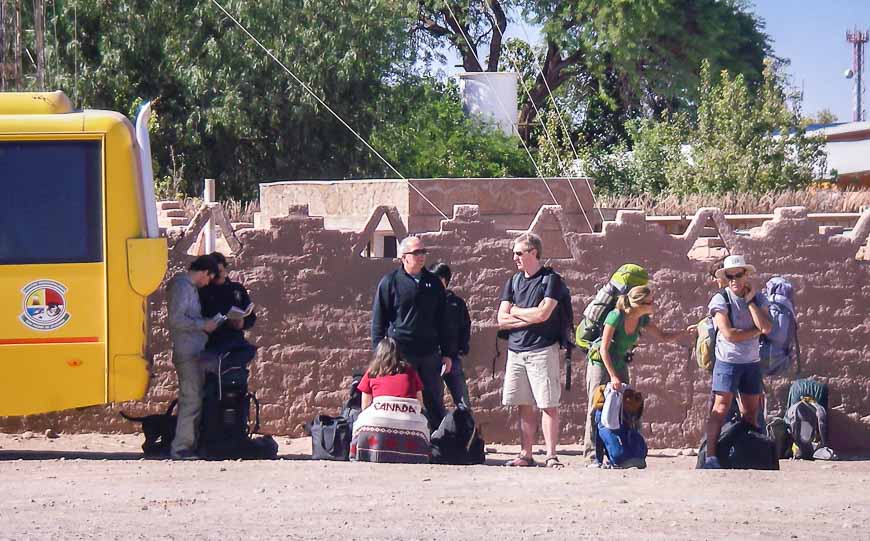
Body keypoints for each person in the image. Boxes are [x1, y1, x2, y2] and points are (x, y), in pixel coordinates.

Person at [583, 285, 692, 460]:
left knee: (625, 405)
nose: (653, 304)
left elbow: (662, 336)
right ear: (638, 303)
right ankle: (591, 452)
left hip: (619, 362)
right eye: (649, 302)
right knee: (596, 405)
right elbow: (603, 349)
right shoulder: (615, 316)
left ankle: (621, 448)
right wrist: (613, 376)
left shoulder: (642, 320)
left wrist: (683, 332)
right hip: (600, 362)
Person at [371, 236, 455, 431]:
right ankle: (400, 438)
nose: (421, 256)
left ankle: (435, 441)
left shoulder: (434, 284)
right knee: (402, 396)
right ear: (403, 257)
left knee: (433, 398)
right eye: (416, 253)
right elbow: (378, 320)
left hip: (429, 353)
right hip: (400, 353)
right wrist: (379, 351)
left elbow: (444, 321)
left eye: (423, 252)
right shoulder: (390, 282)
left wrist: (448, 353)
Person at [497, 233, 565, 468]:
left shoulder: (551, 280)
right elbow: (501, 320)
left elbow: (544, 314)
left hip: (542, 350)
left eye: (519, 253)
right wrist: (528, 316)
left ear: (533, 252)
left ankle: (551, 455)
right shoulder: (513, 281)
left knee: (548, 404)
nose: (514, 257)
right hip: (516, 351)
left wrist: (517, 311)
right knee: (523, 404)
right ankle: (526, 454)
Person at [702, 255, 773, 469]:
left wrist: (750, 301)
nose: (734, 280)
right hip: (728, 361)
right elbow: (729, 334)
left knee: (750, 412)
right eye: (729, 276)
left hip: (751, 361)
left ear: (746, 275)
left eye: (738, 275)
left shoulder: (758, 299)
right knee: (720, 408)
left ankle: (747, 451)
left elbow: (767, 327)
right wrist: (756, 331)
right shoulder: (720, 299)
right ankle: (711, 456)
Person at [166, 255, 220, 460]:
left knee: (195, 397)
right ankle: (181, 447)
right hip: (187, 351)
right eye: (209, 278)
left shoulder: (188, 288)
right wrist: (202, 325)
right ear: (205, 272)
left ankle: (190, 443)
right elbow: (176, 319)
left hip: (195, 350)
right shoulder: (181, 286)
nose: (207, 283)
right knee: (191, 398)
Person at [198, 252, 258, 371]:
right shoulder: (201, 292)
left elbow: (250, 317)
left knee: (247, 353)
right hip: (212, 343)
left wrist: (242, 322)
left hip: (235, 342)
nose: (217, 275)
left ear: (225, 270)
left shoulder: (237, 289)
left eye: (219, 271)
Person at [430, 262, 472, 411]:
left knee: (463, 403)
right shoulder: (426, 302)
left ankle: (468, 432)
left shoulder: (456, 304)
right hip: (432, 358)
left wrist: (461, 348)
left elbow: (465, 326)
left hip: (452, 358)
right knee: (434, 402)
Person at [359, 337, 425, 410]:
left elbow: (365, 406)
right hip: (408, 417)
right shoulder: (410, 371)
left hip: (380, 417)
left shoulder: (372, 372)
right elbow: (420, 404)